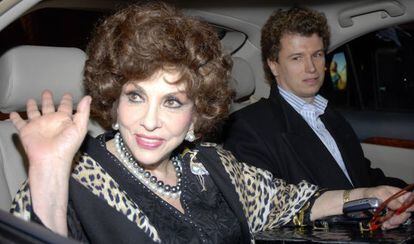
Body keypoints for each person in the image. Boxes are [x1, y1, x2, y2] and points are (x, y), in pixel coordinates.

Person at [9, 2, 412, 243]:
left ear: (194, 114)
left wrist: (368, 194)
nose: (149, 120)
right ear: (114, 101)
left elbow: (295, 201)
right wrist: (47, 170)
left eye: (172, 101)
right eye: (136, 96)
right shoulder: (77, 176)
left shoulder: (211, 166)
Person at [223, 6, 407, 190]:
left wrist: (404, 194)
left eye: (317, 55)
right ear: (274, 66)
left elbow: (363, 176)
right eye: (297, 58)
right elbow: (273, 209)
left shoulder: (330, 115)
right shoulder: (247, 128)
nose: (311, 68)